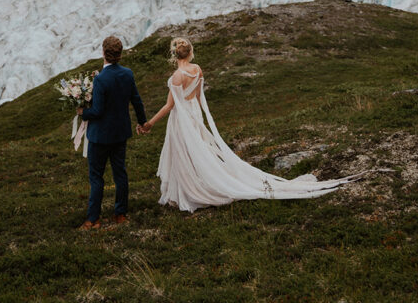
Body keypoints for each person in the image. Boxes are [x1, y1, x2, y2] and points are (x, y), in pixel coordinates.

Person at [142, 36, 363, 212]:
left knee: (185, 154)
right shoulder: (198, 69)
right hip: (193, 115)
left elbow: (169, 106)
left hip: (181, 120)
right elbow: (199, 98)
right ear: (190, 53)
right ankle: (197, 186)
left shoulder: (176, 77)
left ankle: (186, 193)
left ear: (175, 55)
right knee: (200, 152)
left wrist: (150, 123)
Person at [77, 35, 147, 230]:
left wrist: (83, 112)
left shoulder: (100, 79)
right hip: (120, 133)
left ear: (103, 53)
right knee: (120, 174)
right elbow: (137, 100)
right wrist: (142, 122)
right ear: (120, 54)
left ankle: (93, 219)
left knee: (96, 177)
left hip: (100, 136)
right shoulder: (128, 74)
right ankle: (120, 214)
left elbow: (97, 111)